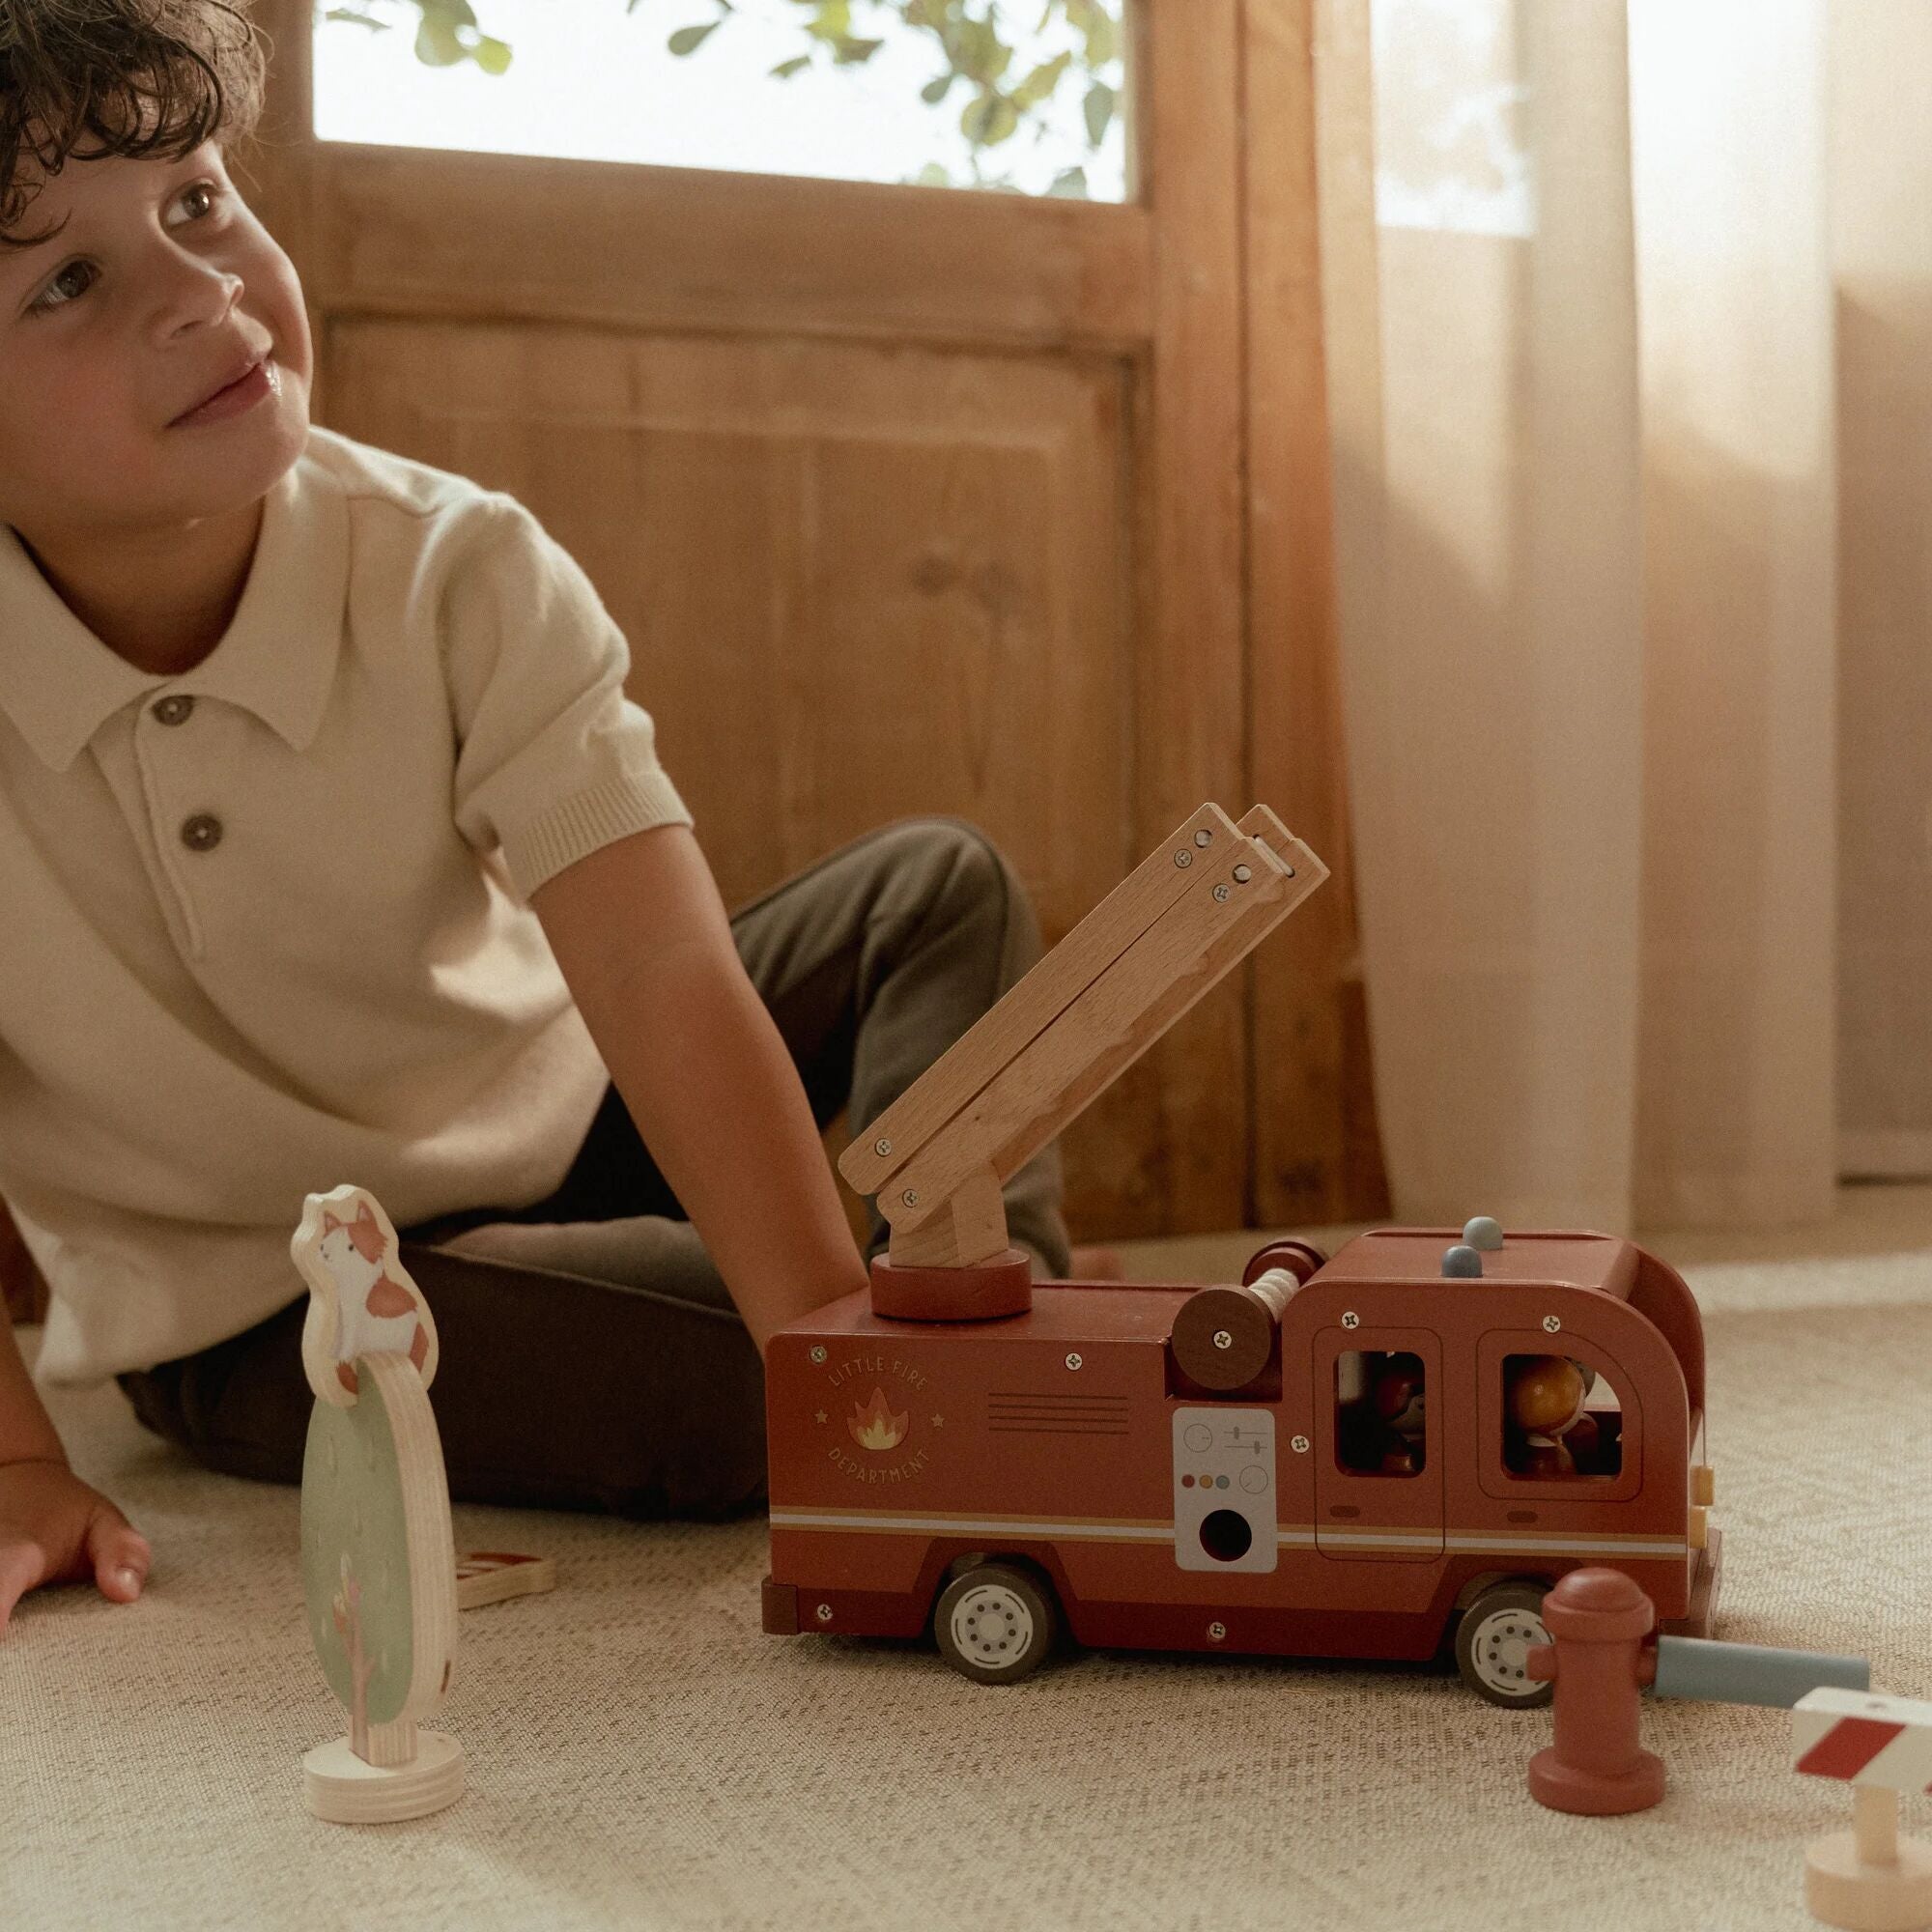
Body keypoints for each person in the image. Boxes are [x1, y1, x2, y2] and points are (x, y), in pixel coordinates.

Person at [0, 0, 1084, 1634]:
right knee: (733, 1385)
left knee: (938, 891)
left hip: (571, 1108)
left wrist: (830, 1334)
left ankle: (967, 1301)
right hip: (259, 1300)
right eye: (68, 280)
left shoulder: (459, 565)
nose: (201, 293)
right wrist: (19, 1468)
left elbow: (656, 973)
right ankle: (885, 1328)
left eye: (199, 200)